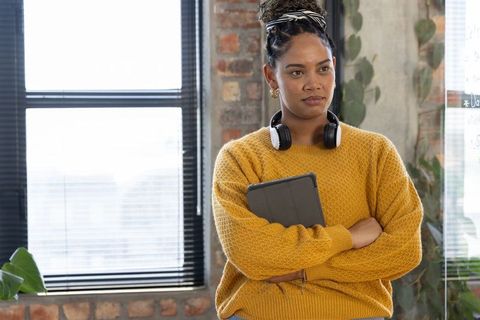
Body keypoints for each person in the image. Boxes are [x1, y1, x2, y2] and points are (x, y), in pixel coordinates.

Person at [212, 0, 423, 319]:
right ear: (271, 77)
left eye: (323, 68)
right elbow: (252, 254)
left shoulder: (375, 152)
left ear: (334, 67)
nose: (314, 83)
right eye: (297, 72)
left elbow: (404, 250)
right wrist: (349, 237)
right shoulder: (240, 158)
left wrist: (308, 270)